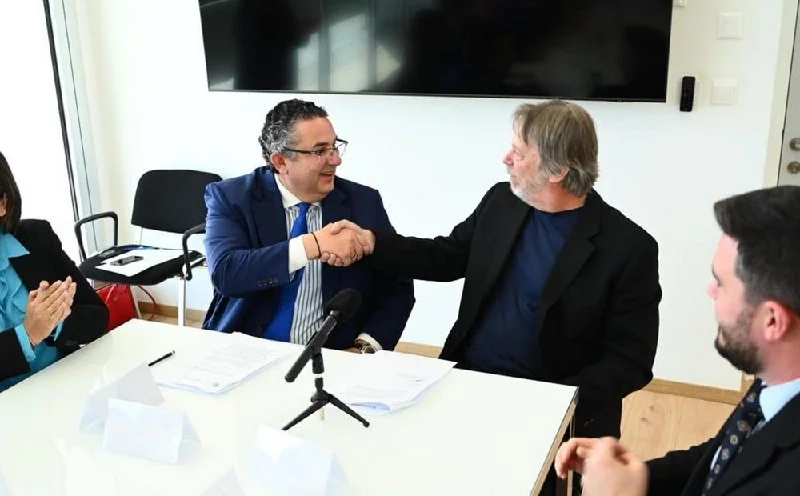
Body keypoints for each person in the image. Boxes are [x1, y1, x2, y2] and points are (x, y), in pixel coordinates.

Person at [324, 100, 661, 439]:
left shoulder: (628, 248)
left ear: (557, 170)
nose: (506, 158)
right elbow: (446, 257)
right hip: (468, 378)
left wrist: (553, 402)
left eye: (519, 152)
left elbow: (630, 361)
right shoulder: (502, 201)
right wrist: (371, 243)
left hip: (548, 406)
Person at [555, 185, 800, 495]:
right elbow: (723, 459)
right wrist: (637, 477)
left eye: (721, 283)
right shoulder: (779, 379)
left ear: (773, 321)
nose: (711, 292)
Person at [203, 99, 414, 352]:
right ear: (281, 162)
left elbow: (397, 285)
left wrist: (366, 345)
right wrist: (311, 245)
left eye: (335, 147)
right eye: (320, 151)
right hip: (244, 347)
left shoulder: (363, 202)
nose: (336, 160)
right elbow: (227, 274)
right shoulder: (232, 197)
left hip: (332, 355)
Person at [0, 151, 109, 391]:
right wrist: (29, 334)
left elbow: (98, 316)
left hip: (65, 387)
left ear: (3, 204)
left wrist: (55, 323)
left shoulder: (36, 238)